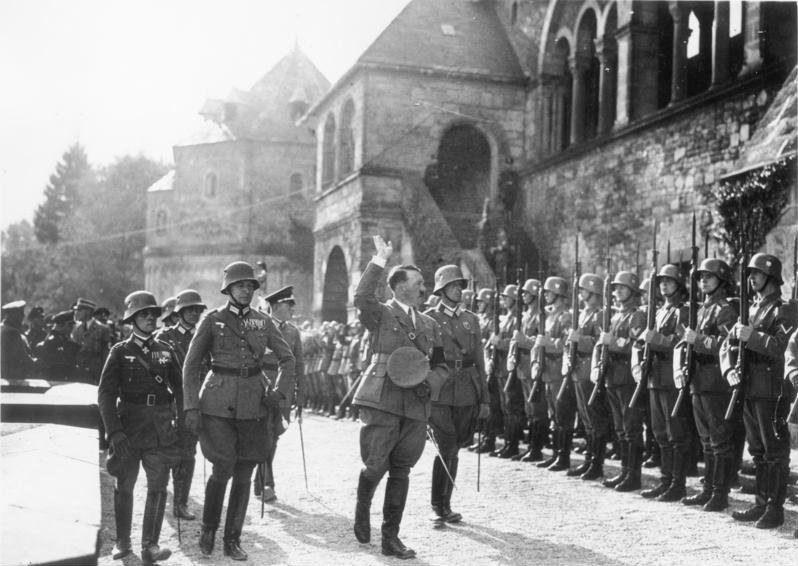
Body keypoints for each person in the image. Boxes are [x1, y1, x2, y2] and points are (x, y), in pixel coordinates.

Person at [182, 261, 295, 560]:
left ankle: (232, 538)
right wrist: (191, 406)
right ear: (228, 288)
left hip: (254, 405)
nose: (246, 290)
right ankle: (208, 530)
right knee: (222, 468)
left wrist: (280, 393)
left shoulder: (263, 321)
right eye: (240, 285)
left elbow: (288, 360)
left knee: (245, 471)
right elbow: (191, 366)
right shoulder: (212, 320)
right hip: (217, 405)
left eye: (250, 286)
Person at [351, 235, 447, 559]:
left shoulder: (431, 324)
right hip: (383, 399)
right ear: (399, 286)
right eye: (418, 282)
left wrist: (430, 382)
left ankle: (390, 538)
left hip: (416, 404)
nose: (424, 288)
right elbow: (362, 296)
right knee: (375, 466)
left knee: (402, 469)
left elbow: (441, 365)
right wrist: (379, 260)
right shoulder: (380, 313)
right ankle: (363, 505)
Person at [97, 291, 180, 564]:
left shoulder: (167, 351)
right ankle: (122, 542)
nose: (150, 318)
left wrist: (180, 420)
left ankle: (150, 546)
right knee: (125, 484)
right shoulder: (120, 352)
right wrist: (114, 430)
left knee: (158, 485)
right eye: (143, 314)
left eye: (153, 314)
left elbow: (180, 391)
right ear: (132, 319)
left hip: (159, 428)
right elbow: (106, 394)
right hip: (128, 428)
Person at [721, 253, 792, 529]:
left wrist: (754, 337)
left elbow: (784, 347)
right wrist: (730, 370)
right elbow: (729, 344)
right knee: (758, 450)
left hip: (772, 389)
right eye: (749, 274)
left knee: (774, 451)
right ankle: (761, 503)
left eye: (756, 274)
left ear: (771, 277)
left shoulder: (783, 309)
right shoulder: (750, 309)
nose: (751, 278)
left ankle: (775, 509)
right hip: (749, 386)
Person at [424, 265, 488, 526]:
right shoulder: (427, 318)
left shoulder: (471, 320)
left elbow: (480, 362)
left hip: (466, 389)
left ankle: (445, 503)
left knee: (456, 447)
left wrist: (484, 399)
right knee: (446, 446)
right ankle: (438, 505)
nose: (459, 290)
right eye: (453, 286)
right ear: (441, 290)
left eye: (460, 285)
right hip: (440, 390)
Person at [677, 259, 738, 511]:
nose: (703, 280)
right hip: (699, 380)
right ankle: (708, 489)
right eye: (701, 277)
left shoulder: (724, 310)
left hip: (715, 381)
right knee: (706, 440)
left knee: (719, 439)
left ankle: (720, 493)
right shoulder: (702, 309)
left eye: (709, 277)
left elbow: (727, 346)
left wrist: (698, 340)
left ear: (721, 281)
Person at [635, 264, 690, 501]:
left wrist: (654, 339)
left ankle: (678, 484)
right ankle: (665, 480)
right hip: (655, 377)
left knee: (675, 432)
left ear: (678, 284)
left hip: (671, 377)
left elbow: (679, 342)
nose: (664, 285)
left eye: (668, 281)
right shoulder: (658, 311)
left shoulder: (683, 311)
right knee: (659, 432)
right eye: (661, 281)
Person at [154, 289, 207, 521]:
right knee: (166, 452)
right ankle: (160, 499)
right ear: (180, 312)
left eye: (198, 310)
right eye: (190, 310)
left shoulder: (205, 337)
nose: (194, 314)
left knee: (189, 452)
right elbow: (157, 372)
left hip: (193, 402)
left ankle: (181, 503)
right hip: (170, 401)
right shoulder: (164, 338)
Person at [595, 271, 646, 492]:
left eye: (623, 288)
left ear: (633, 292)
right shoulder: (616, 316)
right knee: (620, 427)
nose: (618, 292)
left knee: (631, 426)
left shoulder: (637, 316)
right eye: (616, 288)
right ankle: (625, 471)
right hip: (612, 375)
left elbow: (634, 344)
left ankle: (633, 475)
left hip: (627, 376)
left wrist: (612, 341)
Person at [254, 285, 303, 503]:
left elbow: (299, 366)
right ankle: (266, 484)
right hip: (262, 388)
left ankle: (261, 481)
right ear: (274, 306)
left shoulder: (293, 331)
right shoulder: (259, 327)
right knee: (264, 436)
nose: (292, 308)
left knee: (274, 437)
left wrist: (299, 397)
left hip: (283, 391)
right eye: (287, 304)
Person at [567, 273, 611, 480]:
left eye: (582, 289)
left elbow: (599, 343)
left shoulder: (600, 314)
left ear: (592, 290)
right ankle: (589, 460)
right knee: (586, 419)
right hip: (578, 369)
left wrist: (580, 339)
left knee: (595, 419)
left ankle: (596, 464)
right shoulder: (584, 313)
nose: (580, 293)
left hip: (589, 369)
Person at [531, 276, 573, 471]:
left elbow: (567, 344)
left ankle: (563, 457)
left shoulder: (565, 316)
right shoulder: (550, 315)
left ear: (558, 293)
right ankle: (556, 454)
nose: (545, 295)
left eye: (548, 292)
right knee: (553, 415)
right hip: (548, 370)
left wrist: (548, 343)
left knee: (562, 415)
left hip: (558, 371)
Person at [510, 278, 548, 462]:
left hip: (534, 365)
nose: (523, 295)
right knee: (529, 409)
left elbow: (540, 342)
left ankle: (536, 448)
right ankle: (531, 447)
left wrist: (523, 340)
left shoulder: (541, 315)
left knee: (537, 408)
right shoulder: (526, 315)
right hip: (523, 366)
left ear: (534, 295)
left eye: (526, 292)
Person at [487, 284, 523, 458]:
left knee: (512, 407)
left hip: (512, 368)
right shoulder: (507, 317)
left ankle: (513, 444)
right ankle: (508, 443)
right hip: (501, 368)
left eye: (505, 297)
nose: (503, 300)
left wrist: (499, 343)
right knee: (505, 407)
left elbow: (516, 343)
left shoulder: (518, 319)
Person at [72, 297, 112, 384]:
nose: (76, 313)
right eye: (76, 310)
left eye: (79, 310)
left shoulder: (102, 329)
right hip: (79, 371)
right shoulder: (76, 328)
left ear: (89, 311)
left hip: (95, 372)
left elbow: (106, 353)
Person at [37, 310, 80, 381]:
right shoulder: (53, 341)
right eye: (70, 325)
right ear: (61, 325)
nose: (72, 327)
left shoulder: (63, 338)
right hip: (56, 380)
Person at [1, 300, 36, 379]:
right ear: (12, 315)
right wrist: (36, 362)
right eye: (20, 314)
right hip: (13, 377)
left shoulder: (3, 328)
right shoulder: (12, 332)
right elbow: (21, 356)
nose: (23, 316)